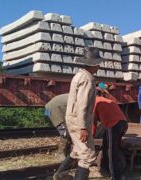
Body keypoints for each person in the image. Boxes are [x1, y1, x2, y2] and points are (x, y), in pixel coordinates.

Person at [54, 47, 104, 180]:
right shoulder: (87, 79)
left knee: (78, 150)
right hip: (79, 120)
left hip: (74, 118)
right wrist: (82, 127)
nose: (99, 66)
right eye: (98, 63)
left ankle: (59, 174)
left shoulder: (80, 75)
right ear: (94, 64)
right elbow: (82, 104)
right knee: (87, 155)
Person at [92, 88, 128, 180]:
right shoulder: (108, 100)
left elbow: (93, 121)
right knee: (106, 145)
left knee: (111, 151)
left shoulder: (95, 102)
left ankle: (115, 177)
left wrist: (92, 135)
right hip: (123, 123)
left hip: (113, 125)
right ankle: (105, 168)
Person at [44, 93, 71, 161]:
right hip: (52, 109)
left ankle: (67, 152)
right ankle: (60, 154)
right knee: (64, 133)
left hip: (49, 107)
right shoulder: (83, 100)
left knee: (67, 130)